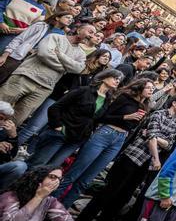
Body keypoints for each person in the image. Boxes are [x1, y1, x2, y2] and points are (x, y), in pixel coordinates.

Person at [75, 94, 176, 221]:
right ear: (174, 103)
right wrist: (156, 155)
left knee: (123, 197)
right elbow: (151, 138)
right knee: (109, 192)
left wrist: (156, 139)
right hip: (133, 157)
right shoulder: (158, 114)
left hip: (144, 164)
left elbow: (168, 144)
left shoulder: (174, 123)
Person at [54, 78, 151, 207]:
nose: (151, 90)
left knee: (86, 181)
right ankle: (48, 203)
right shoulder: (124, 98)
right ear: (140, 88)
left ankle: (60, 210)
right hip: (105, 134)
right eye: (148, 87)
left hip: (120, 139)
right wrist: (125, 117)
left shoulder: (144, 107)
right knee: (74, 174)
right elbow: (103, 116)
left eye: (153, 89)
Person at [26, 68, 123, 167]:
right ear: (104, 77)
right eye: (115, 78)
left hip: (77, 140)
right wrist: (58, 126)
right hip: (60, 134)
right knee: (37, 164)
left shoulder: (107, 100)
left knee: (51, 168)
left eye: (119, 80)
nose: (118, 81)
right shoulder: (84, 90)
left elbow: (95, 120)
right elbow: (55, 107)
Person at [0, 22, 91, 126]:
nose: (91, 36)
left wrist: (60, 55)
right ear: (79, 30)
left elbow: (78, 69)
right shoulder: (55, 37)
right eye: (90, 32)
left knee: (16, 120)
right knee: (1, 102)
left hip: (45, 88)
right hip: (26, 76)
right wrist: (64, 68)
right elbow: (44, 54)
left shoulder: (81, 54)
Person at [0, 102, 25, 189]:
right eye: (1, 118)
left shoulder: (4, 131)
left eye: (6, 120)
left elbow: (9, 157)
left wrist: (13, 137)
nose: (3, 122)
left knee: (20, 166)